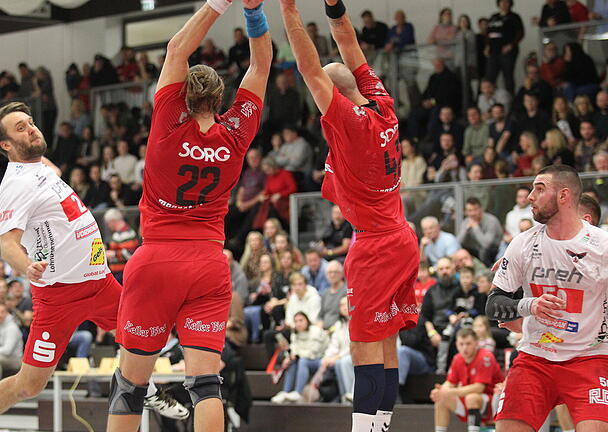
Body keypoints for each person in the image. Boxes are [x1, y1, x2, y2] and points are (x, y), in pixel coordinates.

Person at [0, 102, 187, 432]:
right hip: (58, 296)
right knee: (29, 385)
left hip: (100, 282)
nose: (32, 129)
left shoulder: (40, 167)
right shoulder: (15, 186)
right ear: (8, 144)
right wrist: (27, 267)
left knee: (139, 337)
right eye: (21, 128)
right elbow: (8, 245)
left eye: (31, 122)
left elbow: (42, 162)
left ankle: (147, 391)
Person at [106, 0, 272, 430]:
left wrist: (220, 2)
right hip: (208, 263)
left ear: (180, 95)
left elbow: (177, 47)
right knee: (205, 384)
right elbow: (260, 66)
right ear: (219, 98)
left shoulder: (167, 124)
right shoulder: (235, 135)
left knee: (130, 386)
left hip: (156, 260)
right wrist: (253, 10)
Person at [278, 0, 419, 430]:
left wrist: (289, 8)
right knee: (387, 343)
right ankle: (380, 426)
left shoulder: (346, 120)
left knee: (364, 349)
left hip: (374, 245)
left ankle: (363, 429)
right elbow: (347, 38)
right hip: (401, 237)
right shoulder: (382, 102)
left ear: (332, 95)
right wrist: (335, 6)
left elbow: (308, 67)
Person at [487, 165, 608, 431]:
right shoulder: (522, 243)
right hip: (535, 357)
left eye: (539, 189)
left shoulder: (602, 246)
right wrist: (529, 305)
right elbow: (493, 305)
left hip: (589, 358)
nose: (530, 196)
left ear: (563, 196)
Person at [431, 328, 504, 432]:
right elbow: (450, 383)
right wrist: (441, 391)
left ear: (476, 343)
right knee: (441, 398)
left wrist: (449, 391)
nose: (464, 348)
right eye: (461, 344)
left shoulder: (485, 356)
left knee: (472, 397)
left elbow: (479, 388)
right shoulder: (457, 358)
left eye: (468, 344)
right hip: (468, 399)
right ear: (456, 344)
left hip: (493, 402)